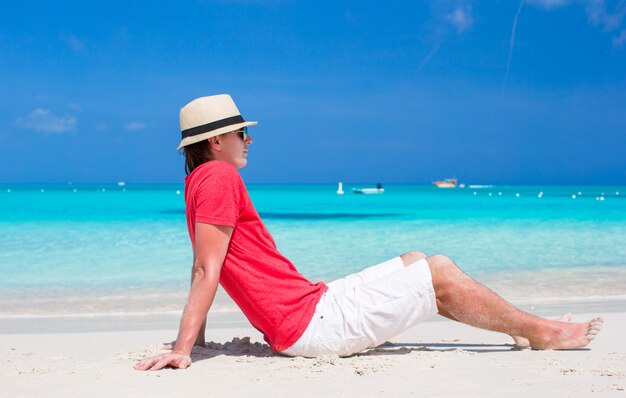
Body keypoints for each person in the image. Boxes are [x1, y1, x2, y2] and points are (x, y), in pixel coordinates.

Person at [134, 94, 603, 371]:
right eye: (241, 132)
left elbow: (210, 263)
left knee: (415, 260)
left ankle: (515, 327)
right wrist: (182, 349)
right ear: (216, 141)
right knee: (437, 272)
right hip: (308, 327)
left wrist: (197, 340)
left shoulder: (197, 182)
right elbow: (205, 268)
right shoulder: (219, 178)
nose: (249, 139)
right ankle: (543, 331)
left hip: (311, 305)